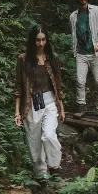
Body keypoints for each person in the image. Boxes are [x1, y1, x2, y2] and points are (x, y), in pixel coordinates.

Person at [14, 25, 65, 180]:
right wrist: (17, 111)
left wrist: (61, 108)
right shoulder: (23, 60)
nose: (41, 43)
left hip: (50, 101)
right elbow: (18, 88)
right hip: (31, 104)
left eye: (43, 40)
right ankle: (41, 174)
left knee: (49, 136)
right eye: (38, 40)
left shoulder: (53, 58)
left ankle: (55, 166)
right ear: (32, 41)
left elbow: (58, 85)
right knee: (34, 142)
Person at [69, 0, 98, 116]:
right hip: (81, 53)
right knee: (80, 81)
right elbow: (74, 34)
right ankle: (81, 107)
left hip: (95, 52)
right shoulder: (73, 16)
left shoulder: (96, 10)